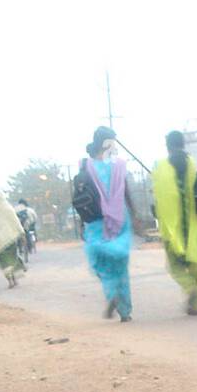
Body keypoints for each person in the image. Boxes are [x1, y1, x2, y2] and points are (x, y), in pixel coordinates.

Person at [74, 127, 135, 321]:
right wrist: (134, 215)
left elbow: (81, 197)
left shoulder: (86, 166)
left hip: (96, 221)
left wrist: (82, 223)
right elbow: (126, 193)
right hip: (119, 220)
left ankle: (112, 294)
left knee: (101, 264)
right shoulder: (118, 165)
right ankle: (125, 312)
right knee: (120, 266)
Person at [151, 131, 197, 315]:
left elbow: (158, 196)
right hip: (192, 223)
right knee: (195, 265)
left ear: (168, 146)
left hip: (172, 226)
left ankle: (189, 287)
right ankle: (195, 305)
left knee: (174, 265)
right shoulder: (193, 164)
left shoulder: (160, 167)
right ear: (183, 144)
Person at [0, 188, 27, 288]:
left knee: (4, 262)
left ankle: (10, 280)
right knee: (12, 258)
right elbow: (16, 221)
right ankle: (15, 278)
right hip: (11, 238)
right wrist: (21, 233)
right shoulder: (8, 207)